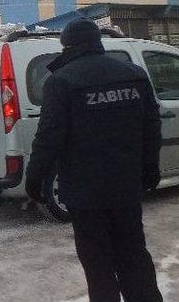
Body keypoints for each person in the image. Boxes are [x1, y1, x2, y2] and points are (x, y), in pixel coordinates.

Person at [25, 18, 163, 302]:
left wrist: (34, 179)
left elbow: (49, 137)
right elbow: (151, 128)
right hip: (126, 187)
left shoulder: (61, 81)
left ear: (67, 45)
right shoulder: (134, 74)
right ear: (97, 42)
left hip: (85, 193)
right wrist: (150, 169)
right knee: (134, 254)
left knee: (97, 263)